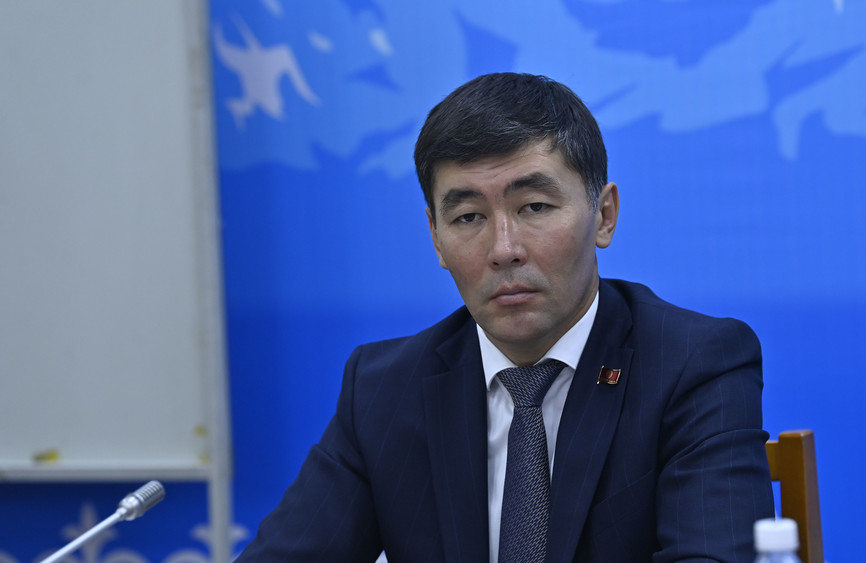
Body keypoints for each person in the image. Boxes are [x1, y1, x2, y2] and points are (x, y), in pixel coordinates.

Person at [235, 72, 774, 562]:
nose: (504, 249)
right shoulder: (383, 390)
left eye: (534, 207)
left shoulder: (692, 364)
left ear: (604, 216)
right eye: (469, 217)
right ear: (436, 238)